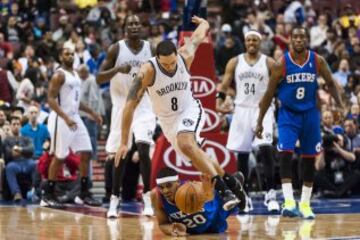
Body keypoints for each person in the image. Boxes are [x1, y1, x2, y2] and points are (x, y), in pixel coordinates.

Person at [115, 16, 245, 212]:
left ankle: (224, 190)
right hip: (167, 121)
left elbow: (202, 32)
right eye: (165, 65)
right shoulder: (147, 71)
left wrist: (203, 22)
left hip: (189, 109)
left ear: (178, 53)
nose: (169, 67)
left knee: (186, 142)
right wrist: (124, 142)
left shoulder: (186, 54)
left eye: (172, 63)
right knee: (197, 156)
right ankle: (233, 182)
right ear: (157, 59)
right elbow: (129, 106)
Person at [255, 26, 344, 219]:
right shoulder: (281, 63)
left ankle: (304, 204)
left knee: (309, 159)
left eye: (301, 37)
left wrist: (340, 106)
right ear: (290, 40)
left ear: (306, 40)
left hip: (310, 114)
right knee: (285, 155)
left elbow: (330, 83)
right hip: (288, 114)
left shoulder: (317, 61)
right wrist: (260, 121)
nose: (298, 40)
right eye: (294, 37)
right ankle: (288, 202)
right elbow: (269, 93)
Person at [96, 15, 156, 217]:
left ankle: (147, 197)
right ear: (124, 29)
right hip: (121, 105)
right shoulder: (116, 48)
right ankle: (114, 199)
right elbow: (99, 77)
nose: (134, 26)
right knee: (119, 153)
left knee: (143, 147)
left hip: (144, 104)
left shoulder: (151, 49)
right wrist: (117, 69)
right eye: (130, 23)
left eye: (137, 23)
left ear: (142, 27)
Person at [216, 30, 280, 213]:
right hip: (242, 109)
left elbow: (278, 84)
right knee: (242, 154)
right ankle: (244, 196)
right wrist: (219, 100)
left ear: (260, 42)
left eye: (255, 40)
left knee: (266, 148)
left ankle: (271, 194)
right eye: (249, 40)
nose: (252, 42)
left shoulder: (268, 62)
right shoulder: (235, 61)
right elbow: (225, 82)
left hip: (263, 109)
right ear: (245, 42)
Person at [41, 46, 102, 209]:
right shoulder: (59, 75)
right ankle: (48, 195)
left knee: (87, 152)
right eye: (66, 53)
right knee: (59, 156)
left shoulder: (75, 74)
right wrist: (66, 118)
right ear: (61, 56)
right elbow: (51, 100)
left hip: (74, 117)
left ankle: (83, 194)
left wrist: (93, 113)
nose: (70, 56)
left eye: (72, 53)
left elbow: (77, 101)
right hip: (61, 119)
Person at [151, 167, 241, 236]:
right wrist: (172, 229)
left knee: (236, 202)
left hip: (214, 220)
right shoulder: (156, 196)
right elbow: (163, 224)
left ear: (178, 182)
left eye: (169, 186)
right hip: (191, 232)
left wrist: (209, 196)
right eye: (161, 187)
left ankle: (235, 184)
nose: (165, 191)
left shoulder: (192, 189)